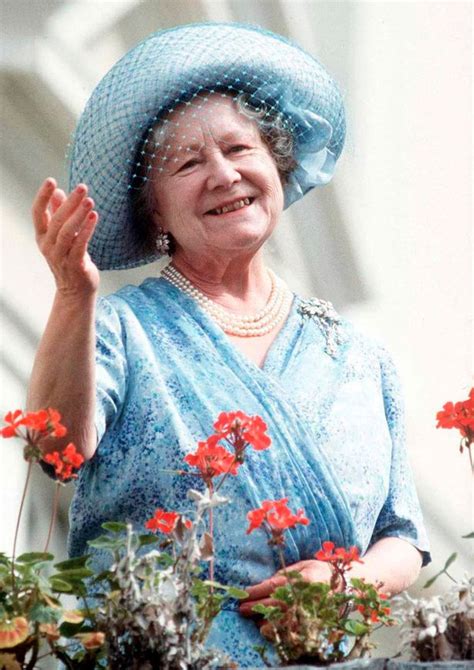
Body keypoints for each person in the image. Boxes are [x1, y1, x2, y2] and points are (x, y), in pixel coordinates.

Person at [28, 23, 430, 667]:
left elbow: (403, 539)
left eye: (239, 149)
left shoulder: (359, 358)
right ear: (153, 212)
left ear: (277, 165)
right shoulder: (119, 328)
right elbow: (56, 453)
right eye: (188, 163)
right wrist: (74, 296)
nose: (222, 174)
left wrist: (343, 585)